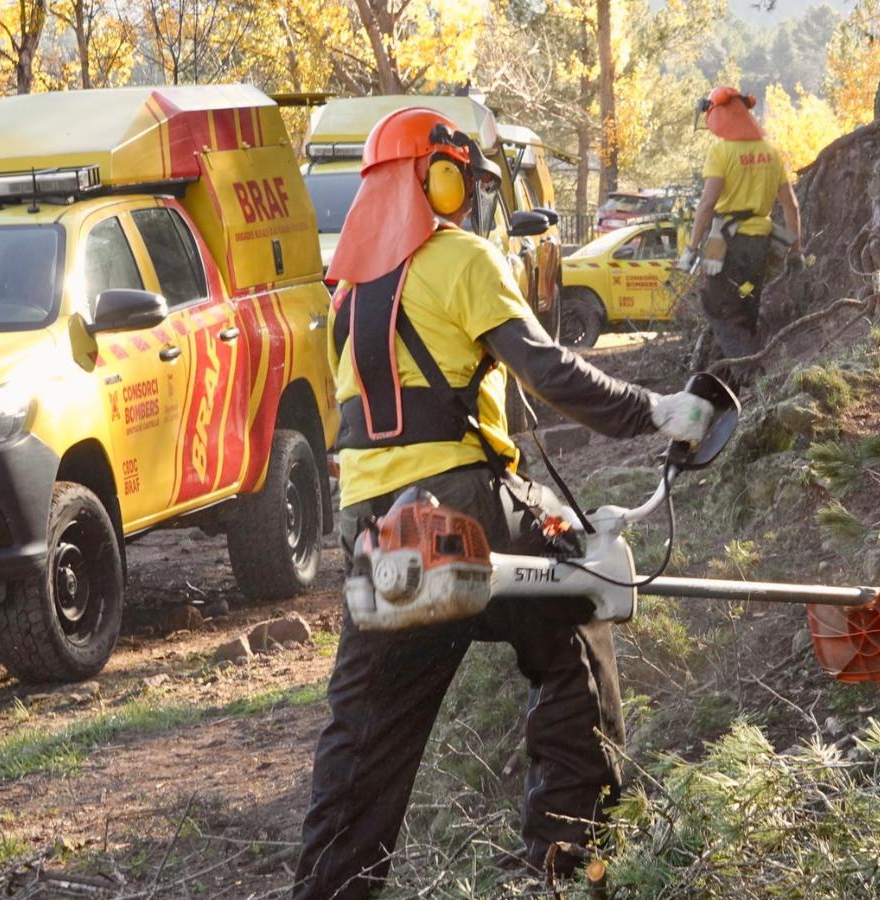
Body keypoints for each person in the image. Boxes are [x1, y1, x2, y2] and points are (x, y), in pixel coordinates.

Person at [293, 106, 713, 899]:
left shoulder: (345, 293)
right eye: (461, 183)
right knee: (580, 613)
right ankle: (565, 867)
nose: (467, 202)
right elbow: (548, 370)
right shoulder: (462, 259)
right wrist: (650, 411)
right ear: (435, 177)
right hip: (462, 507)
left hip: (377, 532)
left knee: (363, 741)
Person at [678, 86, 802, 387]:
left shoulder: (722, 152)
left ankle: (753, 377)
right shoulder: (770, 153)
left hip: (725, 243)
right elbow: (791, 205)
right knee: (745, 303)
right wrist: (795, 249)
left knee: (716, 305)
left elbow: (708, 205)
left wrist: (692, 248)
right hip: (760, 246)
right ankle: (726, 385)